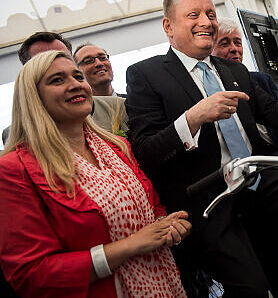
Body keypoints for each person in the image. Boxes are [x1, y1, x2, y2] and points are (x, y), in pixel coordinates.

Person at [126, 0, 278, 298]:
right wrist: (195, 116)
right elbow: (146, 150)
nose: (206, 21)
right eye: (194, 15)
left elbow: (274, 111)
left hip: (257, 179)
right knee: (253, 288)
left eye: (210, 14)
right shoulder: (146, 75)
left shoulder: (234, 69)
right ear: (169, 26)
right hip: (208, 196)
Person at [0, 50, 191, 298]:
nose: (75, 85)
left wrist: (167, 226)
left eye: (78, 77)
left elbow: (152, 207)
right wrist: (130, 246)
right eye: (57, 80)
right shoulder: (15, 170)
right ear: (33, 98)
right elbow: (31, 276)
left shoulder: (115, 148)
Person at [2, 34, 128, 146]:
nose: (58, 63)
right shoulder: (18, 138)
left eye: (63, 56)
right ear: (28, 74)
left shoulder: (118, 107)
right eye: (45, 60)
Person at [212, 17, 278, 150]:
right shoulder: (209, 92)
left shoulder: (263, 81)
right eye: (224, 43)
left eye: (237, 43)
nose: (234, 49)